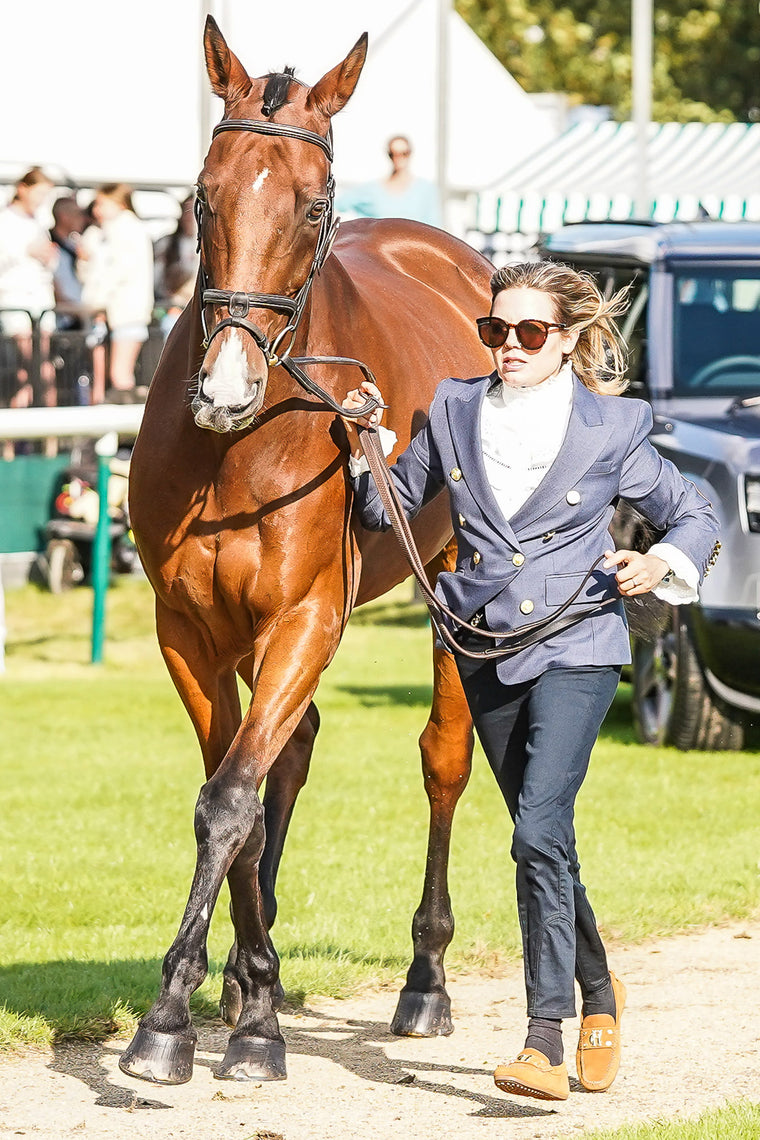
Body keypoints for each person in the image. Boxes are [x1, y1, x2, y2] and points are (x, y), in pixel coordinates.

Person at [342, 260, 720, 1103]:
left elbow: (695, 511)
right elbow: (384, 511)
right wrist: (363, 439)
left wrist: (659, 561)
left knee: (537, 830)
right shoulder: (452, 407)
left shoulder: (614, 427)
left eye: (530, 331)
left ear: (570, 338)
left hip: (579, 642)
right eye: (495, 330)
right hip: (484, 650)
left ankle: (544, 1038)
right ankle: (601, 990)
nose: (508, 345)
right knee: (543, 839)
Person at [81, 183, 154, 402]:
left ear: (120, 204)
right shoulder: (110, 230)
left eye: (102, 204)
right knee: (112, 375)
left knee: (120, 375)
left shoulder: (126, 229)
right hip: (117, 311)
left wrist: (96, 302)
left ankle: (127, 421)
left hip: (126, 310)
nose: (97, 210)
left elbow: (117, 271)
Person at [0, 167, 57, 409]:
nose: (42, 200)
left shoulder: (39, 222)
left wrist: (49, 256)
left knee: (34, 368)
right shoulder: (5, 220)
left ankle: (45, 425)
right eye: (39, 193)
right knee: (34, 364)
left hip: (41, 300)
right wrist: (27, 252)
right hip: (16, 299)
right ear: (23, 189)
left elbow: (49, 263)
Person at [336, 135, 441, 227]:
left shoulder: (426, 189)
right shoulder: (372, 190)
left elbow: (435, 226)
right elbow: (337, 204)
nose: (399, 158)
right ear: (389, 155)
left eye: (404, 153)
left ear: (410, 153)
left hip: (415, 243)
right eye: (393, 154)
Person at [153, 194, 199, 338]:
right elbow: (157, 280)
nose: (190, 217)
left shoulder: (208, 246)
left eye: (195, 212)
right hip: (170, 307)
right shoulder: (167, 243)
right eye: (187, 211)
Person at [50, 196, 87, 330]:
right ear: (64, 216)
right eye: (78, 214)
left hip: (78, 314)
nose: (82, 219)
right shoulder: (50, 245)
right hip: (61, 319)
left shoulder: (74, 245)